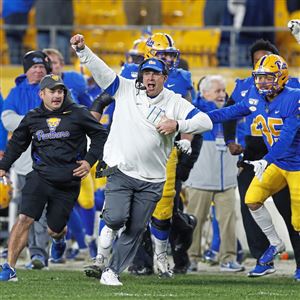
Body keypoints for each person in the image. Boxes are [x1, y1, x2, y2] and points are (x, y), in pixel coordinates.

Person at [70, 33, 212, 286]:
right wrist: (82, 51)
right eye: (147, 73)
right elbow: (101, 74)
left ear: (164, 78)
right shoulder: (124, 87)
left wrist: (179, 124)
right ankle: (103, 258)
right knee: (114, 219)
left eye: (156, 74)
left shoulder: (174, 99)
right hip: (122, 169)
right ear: (140, 73)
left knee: (137, 229)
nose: (151, 77)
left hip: (153, 177)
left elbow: (205, 121)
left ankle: (112, 271)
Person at [0, 74, 107, 282]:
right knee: (24, 218)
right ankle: (9, 267)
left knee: (54, 229)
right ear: (42, 94)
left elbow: (100, 135)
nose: (57, 95)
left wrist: (88, 161)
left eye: (60, 91)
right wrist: (3, 167)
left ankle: (59, 241)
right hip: (40, 176)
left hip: (68, 181)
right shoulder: (32, 117)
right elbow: (17, 144)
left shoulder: (78, 113)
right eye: (52, 91)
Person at [207, 54, 300, 279]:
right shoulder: (255, 97)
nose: (262, 83)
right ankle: (275, 244)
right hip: (277, 163)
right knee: (252, 199)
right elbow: (228, 112)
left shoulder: (294, 97)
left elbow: (286, 139)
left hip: (296, 166)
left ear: (281, 77)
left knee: (297, 221)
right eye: (259, 78)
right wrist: (196, 118)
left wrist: (266, 160)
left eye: (268, 78)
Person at [184, 75, 244, 272]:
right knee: (194, 221)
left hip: (226, 178)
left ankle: (228, 258)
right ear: (204, 93)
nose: (222, 94)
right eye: (217, 91)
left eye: (223, 90)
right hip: (200, 179)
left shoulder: (232, 112)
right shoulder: (196, 110)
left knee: (228, 221)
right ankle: (190, 258)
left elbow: (241, 137)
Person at [1, 50, 52, 268]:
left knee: (41, 210)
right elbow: (7, 120)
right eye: (34, 67)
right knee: (26, 210)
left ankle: (39, 253)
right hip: (23, 161)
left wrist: (29, 124)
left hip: (50, 159)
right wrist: (36, 122)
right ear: (27, 70)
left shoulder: (55, 89)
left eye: (42, 67)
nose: (38, 70)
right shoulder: (16, 92)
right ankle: (26, 252)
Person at [35, 0, 73, 64]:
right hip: (42, 25)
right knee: (42, 57)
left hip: (62, 27)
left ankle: (64, 71)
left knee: (62, 56)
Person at [2, 0, 34, 64]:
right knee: (16, 42)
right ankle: (18, 64)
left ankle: (16, 64)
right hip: (20, 13)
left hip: (10, 13)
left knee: (14, 42)